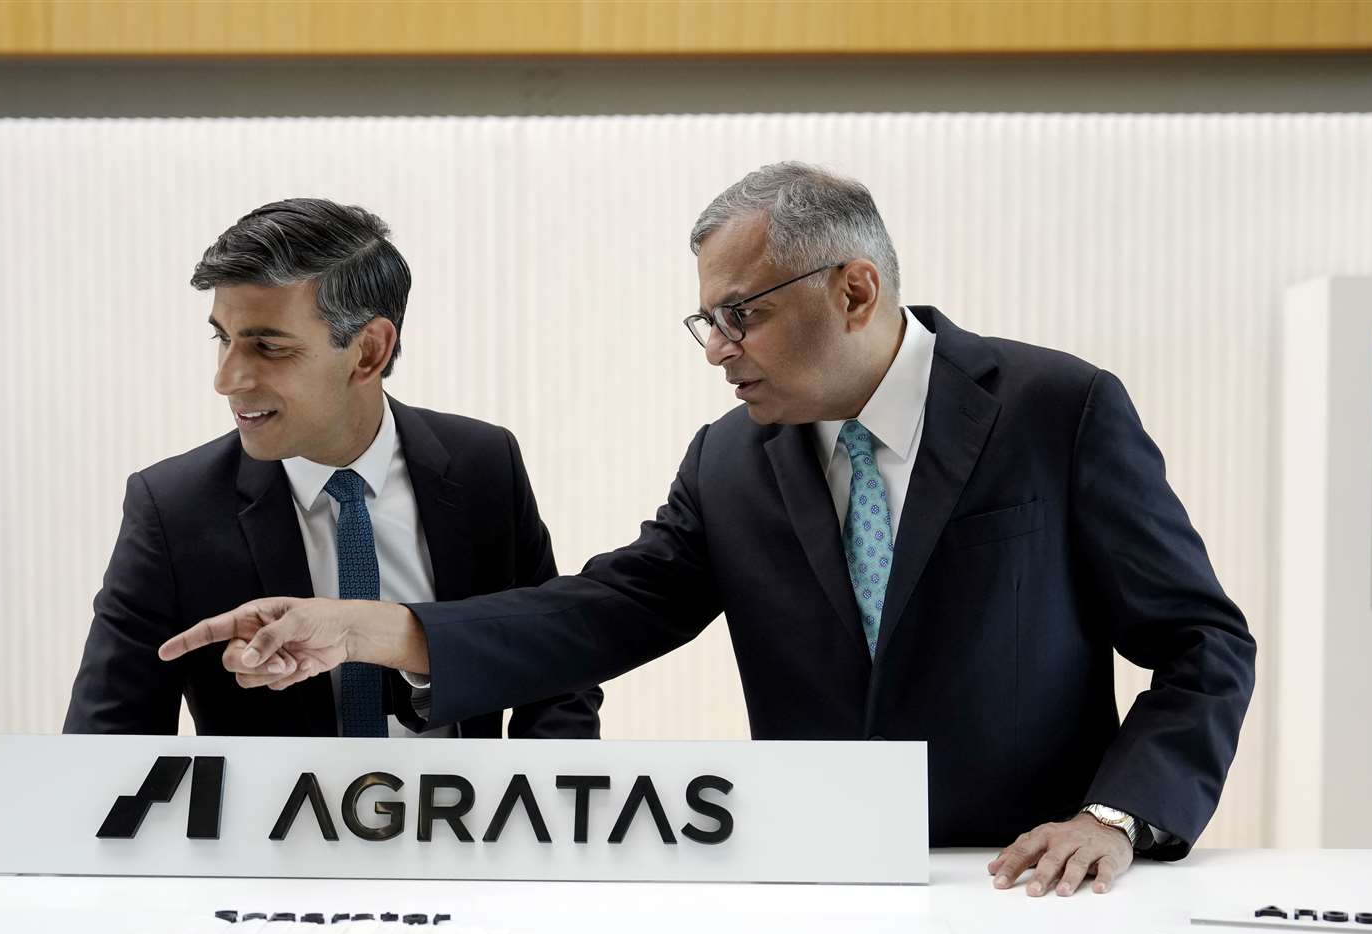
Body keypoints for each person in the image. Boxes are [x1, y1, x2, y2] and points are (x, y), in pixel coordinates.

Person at [160, 164, 1255, 896]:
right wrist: (377, 632)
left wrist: (1116, 815)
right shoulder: (730, 459)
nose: (718, 348)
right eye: (707, 319)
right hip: (822, 885)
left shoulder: (1058, 409)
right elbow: (607, 609)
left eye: (743, 314)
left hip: (1030, 883)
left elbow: (1203, 644)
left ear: (857, 289)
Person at [65, 197, 601, 739]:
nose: (226, 380)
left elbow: (555, 665)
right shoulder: (173, 506)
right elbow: (106, 735)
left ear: (368, 351)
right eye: (222, 338)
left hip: (466, 815)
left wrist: (542, 810)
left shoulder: (484, 464)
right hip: (270, 821)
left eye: (268, 347)